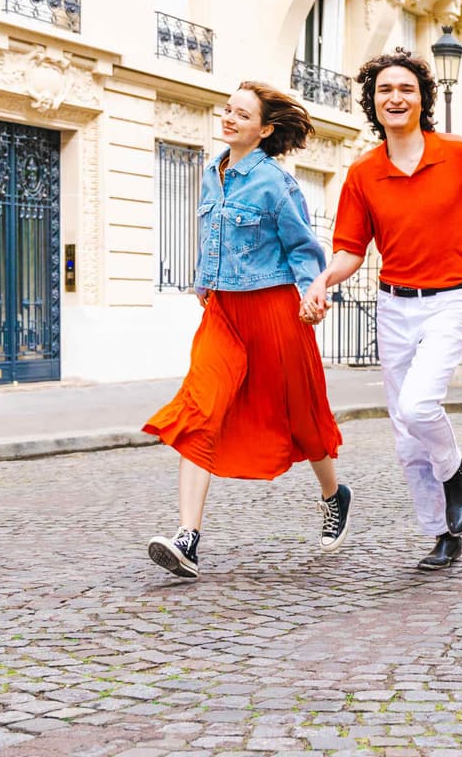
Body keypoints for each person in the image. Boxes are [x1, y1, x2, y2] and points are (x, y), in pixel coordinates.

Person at [302, 49, 462, 572]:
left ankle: (456, 474)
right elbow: (349, 251)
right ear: (373, 101)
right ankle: (441, 534)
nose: (395, 97)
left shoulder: (461, 155)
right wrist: (321, 280)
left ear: (423, 97)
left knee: (419, 405)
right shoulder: (362, 173)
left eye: (405, 88)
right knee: (405, 434)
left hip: (449, 300)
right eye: (385, 90)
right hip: (393, 304)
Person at [142, 83, 350, 580]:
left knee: (300, 415)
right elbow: (210, 235)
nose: (228, 118)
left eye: (241, 114)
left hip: (275, 310)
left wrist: (311, 293)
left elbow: (303, 248)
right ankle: (187, 537)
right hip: (223, 313)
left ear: (265, 128)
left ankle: (332, 494)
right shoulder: (212, 173)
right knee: (200, 408)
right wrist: (202, 281)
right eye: (227, 110)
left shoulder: (276, 183)